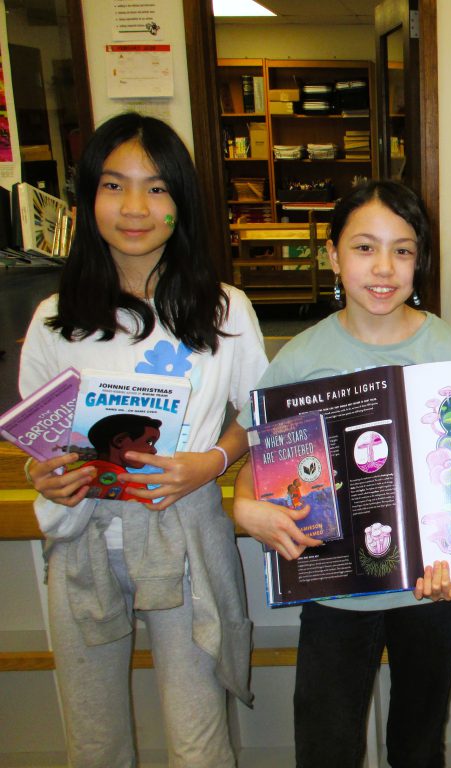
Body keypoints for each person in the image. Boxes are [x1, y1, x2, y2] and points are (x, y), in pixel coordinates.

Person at [19, 112, 269, 766]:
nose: (135, 207)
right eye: (114, 185)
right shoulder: (54, 321)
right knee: (94, 738)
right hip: (82, 544)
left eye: (157, 188)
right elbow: (39, 448)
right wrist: (43, 476)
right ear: (87, 199)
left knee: (196, 738)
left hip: (183, 536)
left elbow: (263, 416)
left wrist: (211, 461)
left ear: (181, 203)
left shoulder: (224, 310)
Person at [232, 179, 451, 768]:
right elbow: (255, 467)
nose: (384, 267)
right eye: (364, 248)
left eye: (403, 249)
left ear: (420, 260)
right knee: (325, 748)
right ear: (333, 256)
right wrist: (245, 508)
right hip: (336, 590)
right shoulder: (301, 357)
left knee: (419, 747)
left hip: (429, 590)